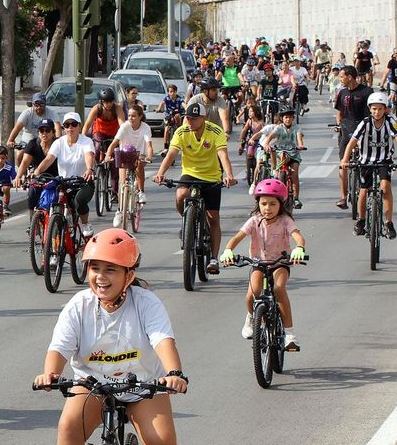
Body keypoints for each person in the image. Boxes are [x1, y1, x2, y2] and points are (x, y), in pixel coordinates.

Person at [34, 229, 187, 445]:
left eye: (110, 269)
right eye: (94, 268)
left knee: (161, 440)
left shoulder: (146, 303)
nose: (100, 277)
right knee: (68, 426)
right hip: (93, 385)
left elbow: (163, 340)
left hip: (142, 385)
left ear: (129, 275)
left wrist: (174, 373)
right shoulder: (79, 305)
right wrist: (50, 374)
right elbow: (59, 347)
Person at [220, 178, 308, 351]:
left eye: (273, 204)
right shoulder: (254, 221)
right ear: (258, 204)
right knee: (252, 293)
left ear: (281, 205)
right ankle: (251, 319)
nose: (268, 208)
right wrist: (228, 250)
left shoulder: (285, 220)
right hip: (258, 263)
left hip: (280, 263)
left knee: (279, 289)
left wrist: (299, 248)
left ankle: (290, 334)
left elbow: (298, 236)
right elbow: (237, 237)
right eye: (264, 204)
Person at [153, 102, 237, 275]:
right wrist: (160, 173)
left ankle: (213, 258)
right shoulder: (181, 132)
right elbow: (171, 154)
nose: (190, 122)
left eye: (194, 119)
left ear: (203, 119)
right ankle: (188, 222)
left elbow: (223, 155)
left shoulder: (215, 131)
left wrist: (229, 175)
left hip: (211, 176)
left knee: (213, 218)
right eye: (188, 118)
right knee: (181, 195)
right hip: (189, 174)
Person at [342, 91, 397, 239]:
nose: (377, 112)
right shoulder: (365, 123)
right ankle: (361, 220)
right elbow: (353, 141)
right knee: (363, 190)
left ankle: (388, 222)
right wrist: (344, 160)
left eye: (380, 109)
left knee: (385, 187)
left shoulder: (391, 122)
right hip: (366, 161)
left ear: (385, 109)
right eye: (374, 109)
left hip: (384, 160)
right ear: (369, 109)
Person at [30, 111, 98, 236]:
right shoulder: (59, 142)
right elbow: (49, 159)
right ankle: (55, 227)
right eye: (67, 125)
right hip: (64, 182)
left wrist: (89, 169)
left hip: (82, 182)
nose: (70, 127)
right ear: (63, 128)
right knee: (53, 200)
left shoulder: (86, 141)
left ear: (79, 126)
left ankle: (85, 224)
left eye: (73, 124)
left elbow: (89, 155)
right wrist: (37, 172)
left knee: (78, 201)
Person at [332, 65, 374, 209]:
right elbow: (339, 113)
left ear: (350, 77)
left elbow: (372, 113)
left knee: (368, 162)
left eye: (342, 76)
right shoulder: (342, 92)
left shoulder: (367, 91)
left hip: (363, 129)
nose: (340, 79)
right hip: (346, 131)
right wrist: (339, 125)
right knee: (343, 164)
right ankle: (343, 197)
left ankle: (368, 187)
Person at [110, 105, 153, 210]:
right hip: (124, 156)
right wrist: (107, 155)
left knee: (139, 164)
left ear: (140, 116)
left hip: (139, 156)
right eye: (129, 115)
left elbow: (149, 145)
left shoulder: (146, 127)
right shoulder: (124, 126)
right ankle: (120, 211)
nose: (130, 118)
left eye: (133, 116)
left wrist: (149, 156)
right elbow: (114, 143)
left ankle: (141, 192)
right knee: (122, 184)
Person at [261, 108, 306, 207]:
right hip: (280, 152)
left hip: (294, 154)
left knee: (295, 176)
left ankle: (296, 199)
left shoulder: (297, 128)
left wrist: (300, 145)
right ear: (282, 118)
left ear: (293, 118)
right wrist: (266, 143)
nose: (288, 119)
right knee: (277, 152)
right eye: (286, 117)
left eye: (290, 117)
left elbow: (299, 138)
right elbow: (270, 136)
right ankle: (276, 169)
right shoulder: (279, 128)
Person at [15, 118, 60, 213]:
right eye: (41, 131)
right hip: (39, 176)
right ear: (38, 133)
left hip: (57, 177)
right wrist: (18, 176)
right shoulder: (33, 144)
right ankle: (32, 220)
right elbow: (25, 162)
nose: (44, 133)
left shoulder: (59, 144)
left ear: (53, 132)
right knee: (32, 193)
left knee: (61, 199)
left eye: (47, 130)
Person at [84, 88, 123, 195]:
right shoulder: (97, 108)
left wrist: (123, 138)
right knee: (97, 147)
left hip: (114, 135)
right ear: (101, 102)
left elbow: (122, 124)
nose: (109, 104)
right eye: (106, 101)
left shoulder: (117, 108)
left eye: (111, 101)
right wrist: (82, 139)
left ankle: (114, 193)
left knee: (115, 164)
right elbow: (87, 124)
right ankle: (96, 167)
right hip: (99, 132)